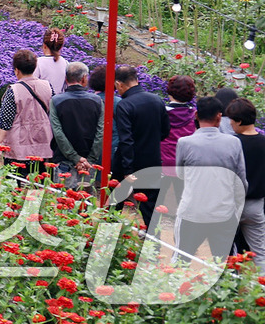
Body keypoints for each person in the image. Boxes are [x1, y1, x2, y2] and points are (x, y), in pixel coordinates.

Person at [176, 97, 248, 261]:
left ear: (196, 115)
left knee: (181, 261)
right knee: (225, 264)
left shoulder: (185, 143)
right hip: (223, 212)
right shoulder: (233, 143)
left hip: (192, 212)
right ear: (219, 117)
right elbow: (241, 182)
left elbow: (180, 174)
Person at [112, 64, 170, 225]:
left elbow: (126, 140)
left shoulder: (125, 105)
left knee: (114, 204)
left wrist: (127, 169)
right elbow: (165, 131)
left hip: (129, 163)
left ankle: (108, 241)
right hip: (152, 161)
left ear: (119, 84)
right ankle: (153, 245)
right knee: (149, 207)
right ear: (137, 80)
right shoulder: (156, 100)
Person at [0, 48, 55, 177]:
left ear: (17, 70)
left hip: (18, 147)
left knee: (14, 185)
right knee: (38, 184)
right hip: (42, 144)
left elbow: (5, 121)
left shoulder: (13, 91)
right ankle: (36, 198)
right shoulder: (48, 86)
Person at [49, 61, 104, 189]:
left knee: (63, 201)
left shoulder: (56, 101)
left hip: (63, 159)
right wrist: (89, 160)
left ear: (66, 78)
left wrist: (75, 157)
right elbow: (101, 132)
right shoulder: (97, 101)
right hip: (88, 162)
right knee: (85, 202)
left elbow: (58, 133)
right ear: (84, 78)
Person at [226, 99, 265, 268]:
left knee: (228, 250)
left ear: (239, 121)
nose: (231, 125)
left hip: (231, 204)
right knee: (260, 252)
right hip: (256, 205)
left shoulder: (231, 143)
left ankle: (231, 287)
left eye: (232, 121)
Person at [33, 28, 69, 95]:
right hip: (58, 102)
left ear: (44, 46)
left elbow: (32, 86)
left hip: (41, 103)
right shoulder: (65, 63)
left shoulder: (38, 63)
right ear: (61, 47)